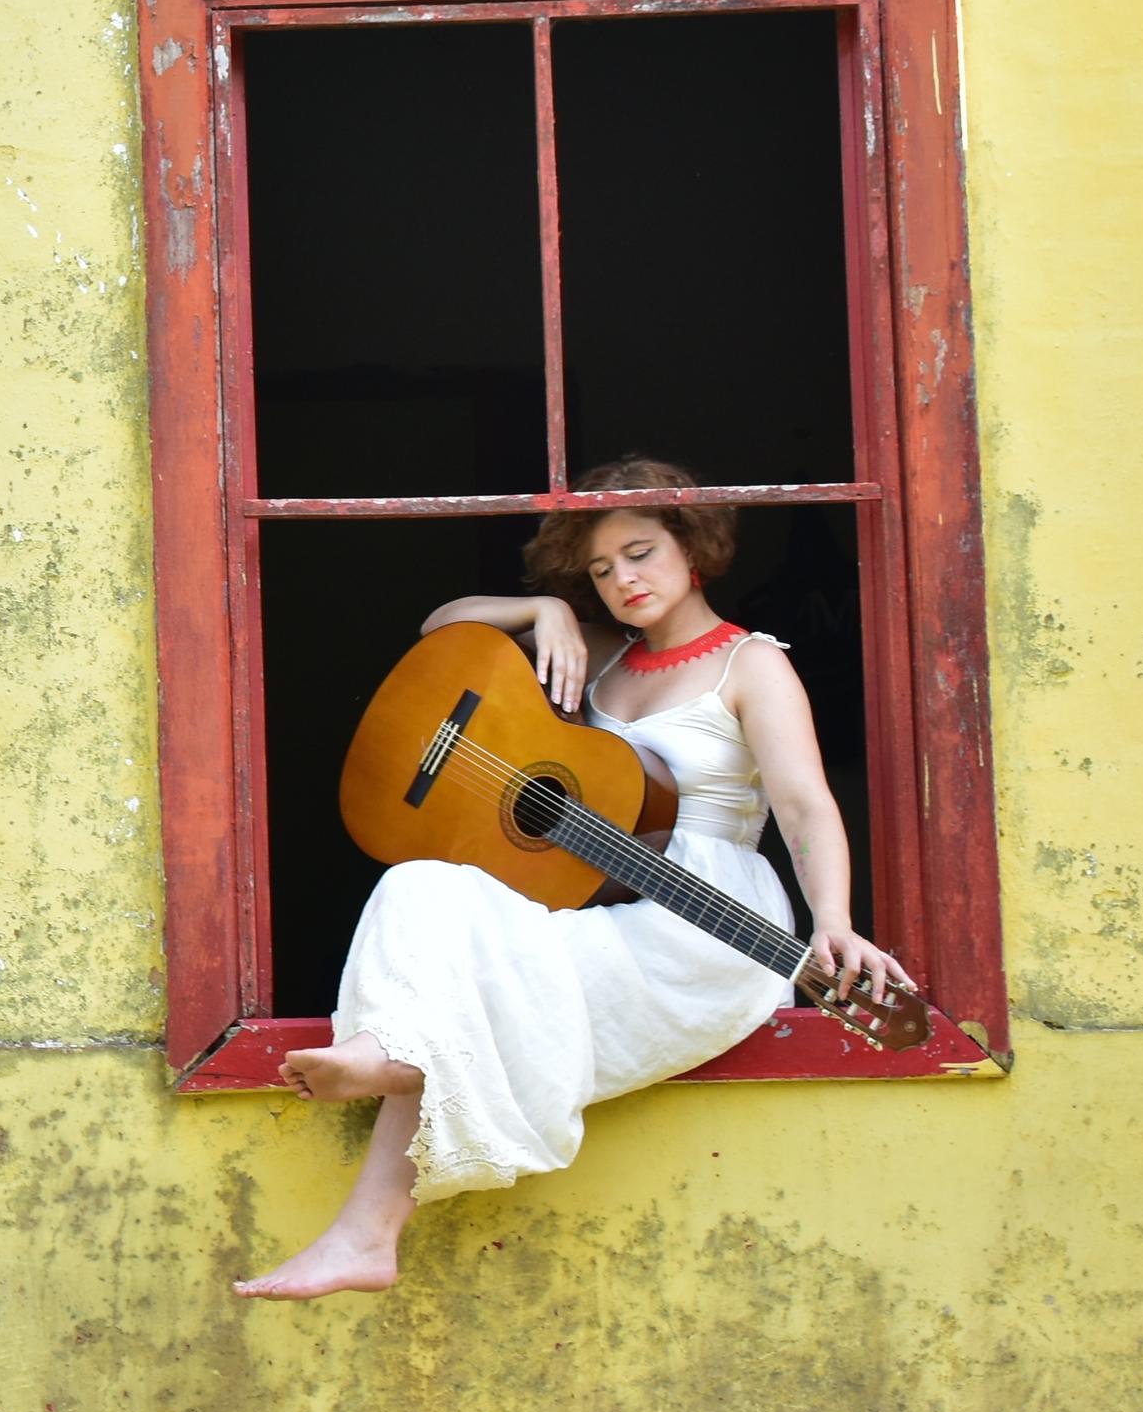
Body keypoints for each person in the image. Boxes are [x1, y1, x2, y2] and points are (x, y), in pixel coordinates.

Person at [231, 457, 916, 1301]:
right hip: (602, 904)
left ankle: (371, 1204)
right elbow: (441, 627)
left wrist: (835, 922)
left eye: (639, 553)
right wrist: (541, 608)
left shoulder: (751, 666)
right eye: (599, 569)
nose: (622, 579)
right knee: (420, 884)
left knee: (484, 981)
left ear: (692, 545)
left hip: (704, 924)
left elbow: (808, 806)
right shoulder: (597, 658)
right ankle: (385, 1079)